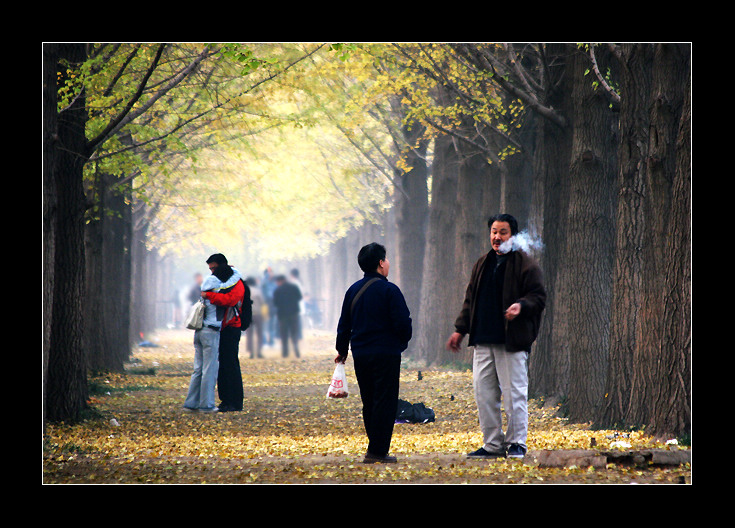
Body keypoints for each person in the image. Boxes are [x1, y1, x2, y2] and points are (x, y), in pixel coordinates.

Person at [446, 214, 546, 459]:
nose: (497, 237)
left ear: (513, 235)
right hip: (483, 339)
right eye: (493, 232)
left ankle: (516, 444)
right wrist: (460, 330)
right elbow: (470, 300)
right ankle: (492, 445)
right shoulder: (482, 263)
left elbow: (538, 296)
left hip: (511, 342)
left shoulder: (525, 264)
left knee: (514, 395)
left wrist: (521, 306)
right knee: (484, 395)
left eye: (503, 232)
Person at [335, 242, 412, 464]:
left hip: (361, 353)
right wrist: (401, 343)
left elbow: (344, 325)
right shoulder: (390, 290)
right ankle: (378, 451)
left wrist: (342, 350)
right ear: (380, 263)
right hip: (386, 353)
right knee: (385, 401)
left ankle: (374, 446)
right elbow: (403, 323)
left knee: (369, 400)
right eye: (385, 259)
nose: (388, 263)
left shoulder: (352, 290)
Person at [202, 253, 245, 413]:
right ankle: (225, 400)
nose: (212, 272)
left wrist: (210, 296)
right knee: (223, 365)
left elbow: (230, 300)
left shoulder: (236, 283)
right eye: (210, 269)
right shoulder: (220, 282)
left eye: (214, 268)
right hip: (220, 328)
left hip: (231, 327)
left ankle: (235, 401)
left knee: (231, 364)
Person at [183, 270, 221, 413]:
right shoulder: (216, 298)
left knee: (198, 369)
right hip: (210, 332)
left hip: (199, 331)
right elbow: (229, 299)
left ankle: (191, 403)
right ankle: (207, 404)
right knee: (209, 370)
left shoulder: (203, 297)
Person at [273, 274, 302, 358]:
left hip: (282, 315)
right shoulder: (294, 287)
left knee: (284, 334)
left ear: (280, 281)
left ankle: (285, 352)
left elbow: (275, 303)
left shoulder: (278, 290)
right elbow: (299, 297)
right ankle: (296, 351)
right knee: (294, 333)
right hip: (294, 314)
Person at [245, 277, 265, 359]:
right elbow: (262, 302)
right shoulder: (258, 291)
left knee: (249, 334)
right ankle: (259, 351)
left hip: (248, 315)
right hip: (258, 314)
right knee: (259, 333)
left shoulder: (245, 291)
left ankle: (251, 352)